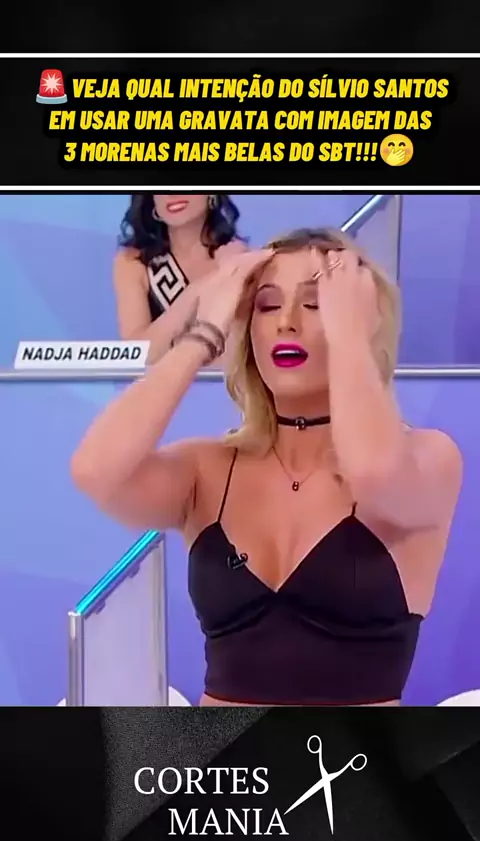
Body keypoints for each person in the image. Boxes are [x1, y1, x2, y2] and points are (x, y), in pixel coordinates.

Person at [72, 228, 463, 707]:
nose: (287, 323)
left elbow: (372, 474)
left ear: (362, 320)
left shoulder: (429, 457)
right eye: (267, 305)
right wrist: (203, 334)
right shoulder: (207, 469)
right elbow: (96, 471)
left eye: (316, 304)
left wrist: (348, 337)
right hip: (224, 756)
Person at [114, 193, 246, 363]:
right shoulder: (133, 262)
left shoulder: (239, 260)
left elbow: (238, 359)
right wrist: (204, 286)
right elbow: (137, 355)